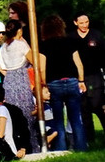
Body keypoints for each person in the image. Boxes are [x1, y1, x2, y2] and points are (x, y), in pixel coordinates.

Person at [38, 15, 87, 152]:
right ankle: (81, 148)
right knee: (75, 118)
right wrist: (81, 80)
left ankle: (61, 149)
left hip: (54, 84)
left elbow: (42, 68)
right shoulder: (70, 41)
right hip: (71, 81)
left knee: (58, 120)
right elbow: (79, 64)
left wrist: (43, 84)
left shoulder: (44, 45)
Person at [0, 19, 39, 152]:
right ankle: (32, 146)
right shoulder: (21, 45)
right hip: (21, 78)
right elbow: (34, 60)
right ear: (19, 31)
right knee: (27, 115)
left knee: (14, 116)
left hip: (9, 80)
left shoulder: (3, 47)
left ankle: (17, 147)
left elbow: (1, 68)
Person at [69, 13, 105, 144]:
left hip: (95, 77)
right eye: (81, 23)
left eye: (86, 22)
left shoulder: (97, 36)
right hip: (79, 78)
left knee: (98, 106)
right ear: (75, 23)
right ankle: (90, 140)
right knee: (84, 110)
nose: (84, 25)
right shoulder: (71, 38)